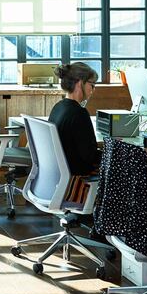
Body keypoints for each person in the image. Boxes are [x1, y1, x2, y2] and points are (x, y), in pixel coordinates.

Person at [48, 62, 101, 203]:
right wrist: (126, 152)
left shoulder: (58, 107)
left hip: (58, 178)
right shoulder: (79, 113)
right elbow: (89, 157)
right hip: (76, 182)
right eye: (92, 85)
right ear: (79, 84)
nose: (93, 90)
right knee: (128, 167)